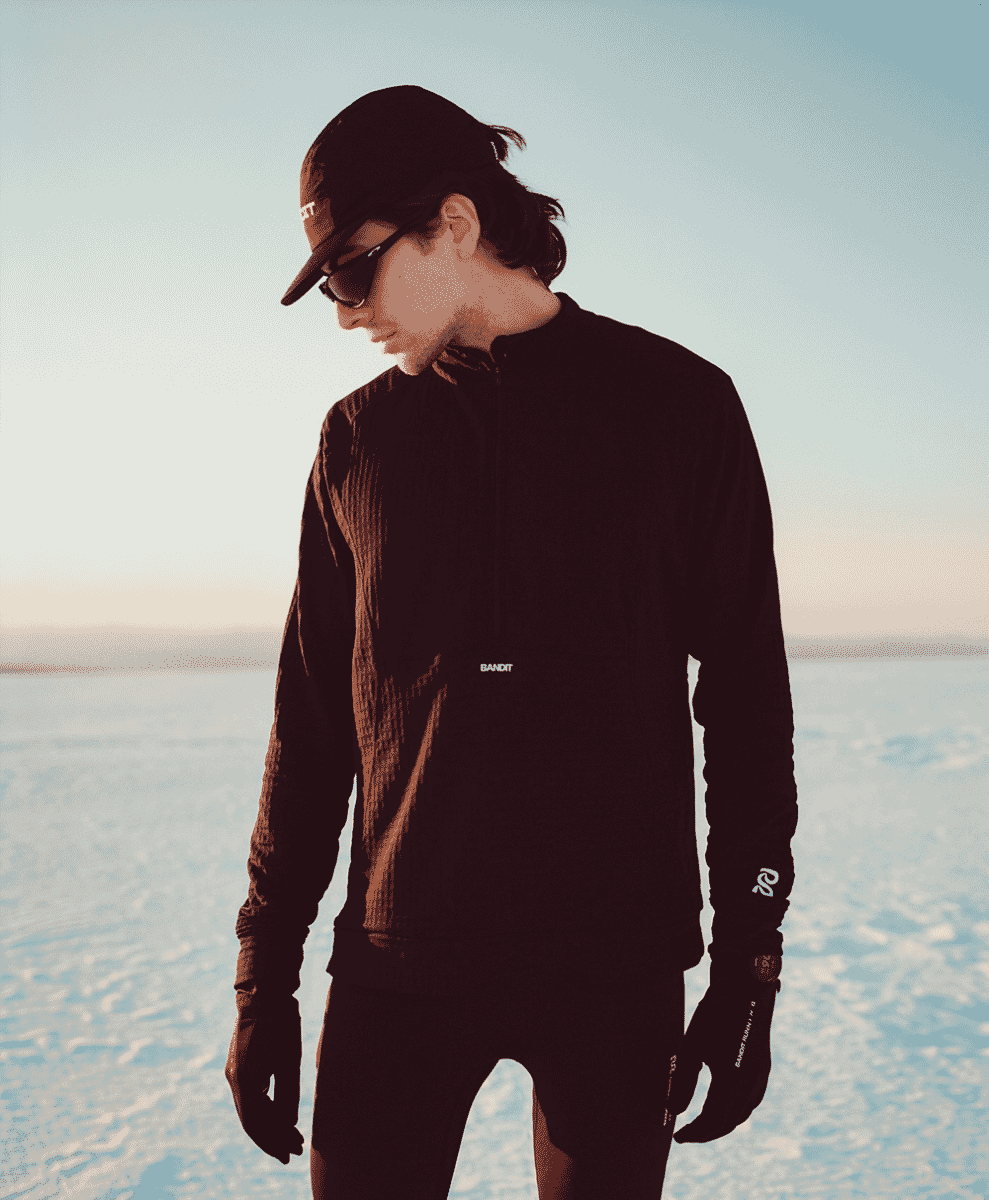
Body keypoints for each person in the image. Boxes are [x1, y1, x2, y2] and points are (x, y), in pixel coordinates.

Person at [225, 84, 798, 1199]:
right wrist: (263, 978)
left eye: (352, 273)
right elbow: (311, 725)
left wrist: (750, 965)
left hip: (611, 969)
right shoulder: (356, 445)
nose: (343, 315)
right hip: (396, 964)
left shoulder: (679, 408)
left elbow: (744, 706)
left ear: (452, 223)